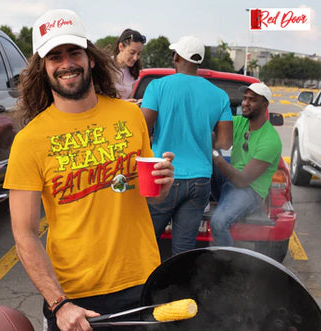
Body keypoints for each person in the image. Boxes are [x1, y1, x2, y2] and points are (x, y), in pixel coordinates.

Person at [3, 8, 174, 331]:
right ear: (42, 67)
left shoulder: (130, 117)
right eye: (55, 57)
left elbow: (148, 191)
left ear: (90, 57)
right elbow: (24, 233)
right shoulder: (30, 140)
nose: (67, 64)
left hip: (141, 281)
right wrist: (59, 303)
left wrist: (163, 183)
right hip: (74, 293)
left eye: (73, 53)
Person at [141, 35, 232, 255]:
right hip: (200, 180)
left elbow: (141, 128)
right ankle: (179, 288)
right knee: (183, 250)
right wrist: (201, 135)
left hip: (164, 177)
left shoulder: (158, 87)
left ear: (177, 57)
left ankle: (145, 287)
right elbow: (225, 141)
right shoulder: (219, 95)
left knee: (146, 243)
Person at [210, 82, 282, 247]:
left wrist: (214, 154)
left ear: (264, 104)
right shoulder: (240, 122)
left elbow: (242, 181)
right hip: (229, 182)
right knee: (206, 134)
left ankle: (225, 265)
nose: (245, 103)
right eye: (244, 98)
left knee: (218, 223)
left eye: (252, 100)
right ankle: (190, 193)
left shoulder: (270, 140)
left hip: (249, 191)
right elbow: (211, 120)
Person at [112, 28, 146, 102]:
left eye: (139, 54)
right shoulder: (105, 66)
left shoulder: (134, 72)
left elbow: (129, 99)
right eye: (132, 52)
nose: (135, 58)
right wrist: (124, 104)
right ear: (121, 47)